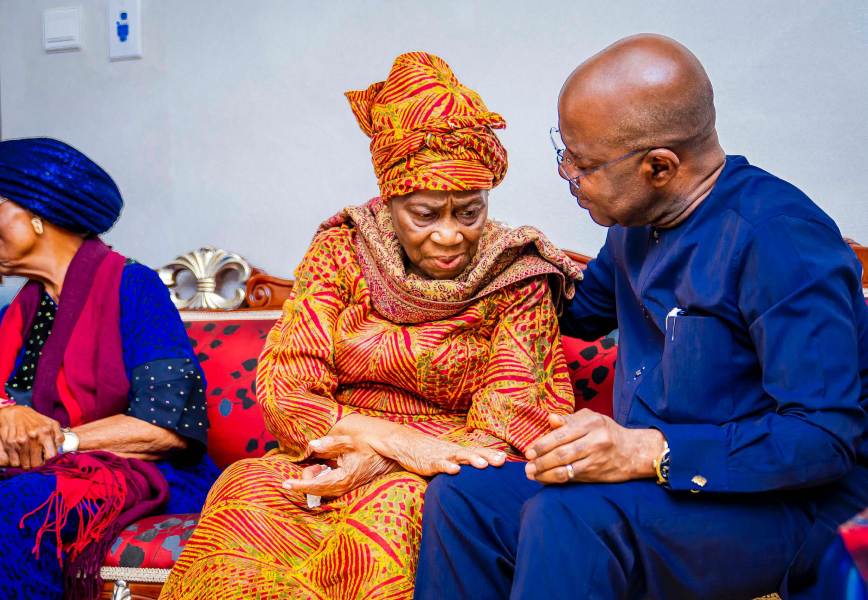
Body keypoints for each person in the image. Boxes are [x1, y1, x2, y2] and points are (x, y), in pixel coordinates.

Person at [415, 34, 868, 599]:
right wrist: (447, 265)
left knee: (572, 517)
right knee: (464, 499)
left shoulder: (780, 241)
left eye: (582, 163)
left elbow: (823, 437)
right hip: (663, 488)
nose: (567, 175)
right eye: (565, 151)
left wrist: (648, 450)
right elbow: (574, 313)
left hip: (783, 502)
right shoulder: (635, 225)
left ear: (660, 166)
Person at [160, 51, 581, 599]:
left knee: (387, 521)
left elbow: (515, 417)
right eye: (425, 215)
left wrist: (386, 460)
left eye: (468, 212)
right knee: (246, 487)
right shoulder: (342, 249)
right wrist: (382, 439)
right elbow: (288, 388)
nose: (450, 235)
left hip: (437, 473)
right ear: (390, 199)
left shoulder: (517, 272)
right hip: (330, 450)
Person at [0, 138, 219, 599]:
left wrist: (57, 442)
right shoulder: (24, 306)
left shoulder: (133, 286)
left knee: (17, 507)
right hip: (55, 468)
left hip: (149, 473)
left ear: (35, 213)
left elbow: (167, 428)